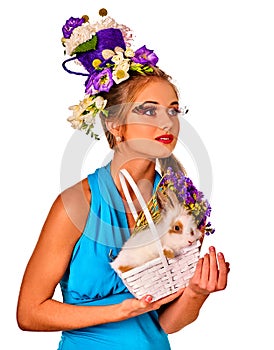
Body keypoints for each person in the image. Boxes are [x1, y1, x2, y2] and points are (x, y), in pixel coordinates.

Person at [16, 9, 230, 350]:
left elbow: (164, 322)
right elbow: (29, 313)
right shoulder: (79, 203)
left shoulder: (179, 201)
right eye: (148, 110)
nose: (167, 122)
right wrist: (121, 310)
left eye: (173, 110)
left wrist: (196, 292)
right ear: (115, 125)